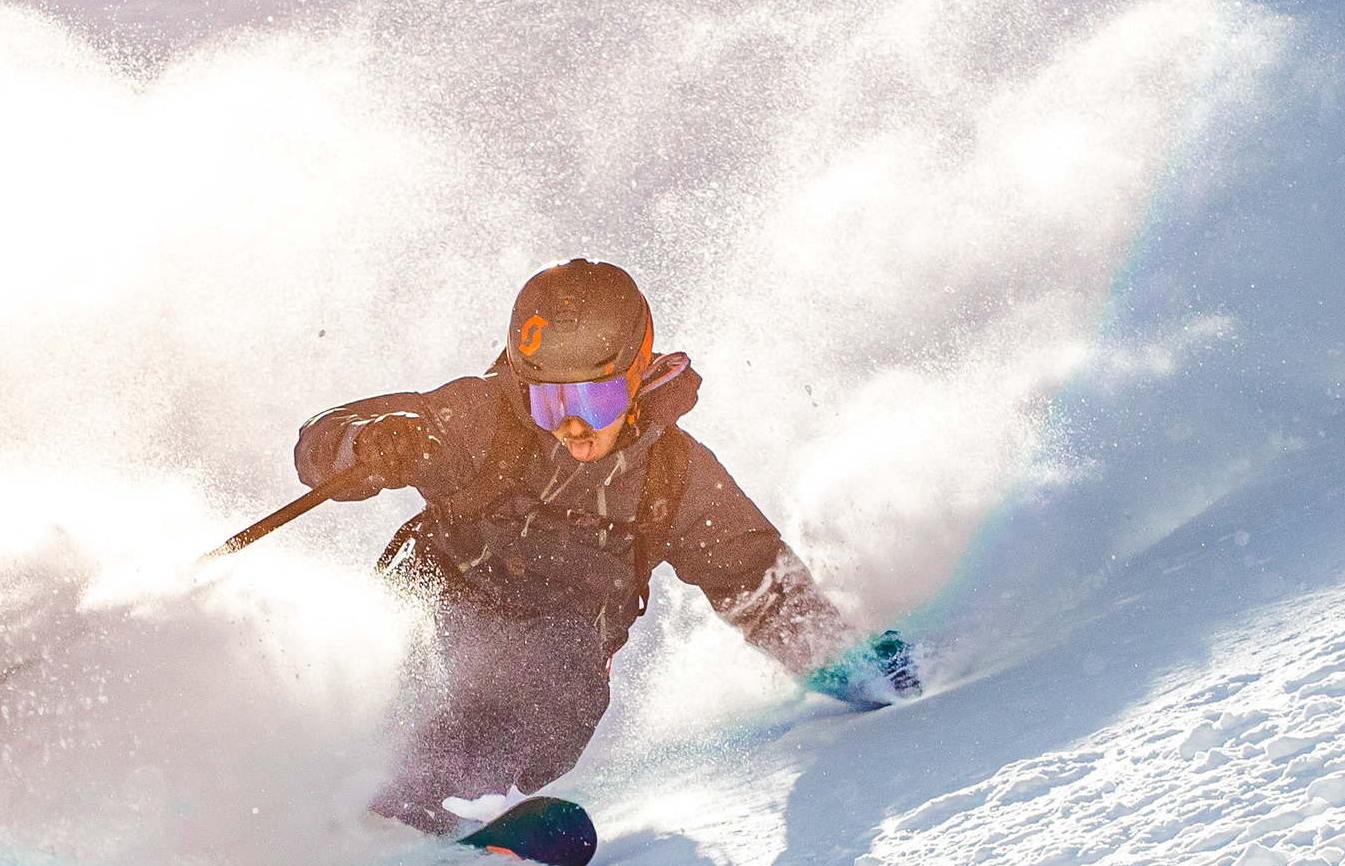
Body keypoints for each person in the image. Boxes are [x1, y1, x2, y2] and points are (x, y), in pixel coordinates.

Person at [296, 259, 918, 834]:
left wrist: (850, 665)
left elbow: (755, 580)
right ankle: (356, 799)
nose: (571, 424)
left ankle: (456, 804)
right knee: (417, 665)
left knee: (565, 666)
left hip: (548, 665)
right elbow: (321, 443)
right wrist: (369, 447)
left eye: (594, 399)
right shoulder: (482, 417)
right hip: (433, 609)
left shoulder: (674, 478)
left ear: (637, 375)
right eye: (550, 400)